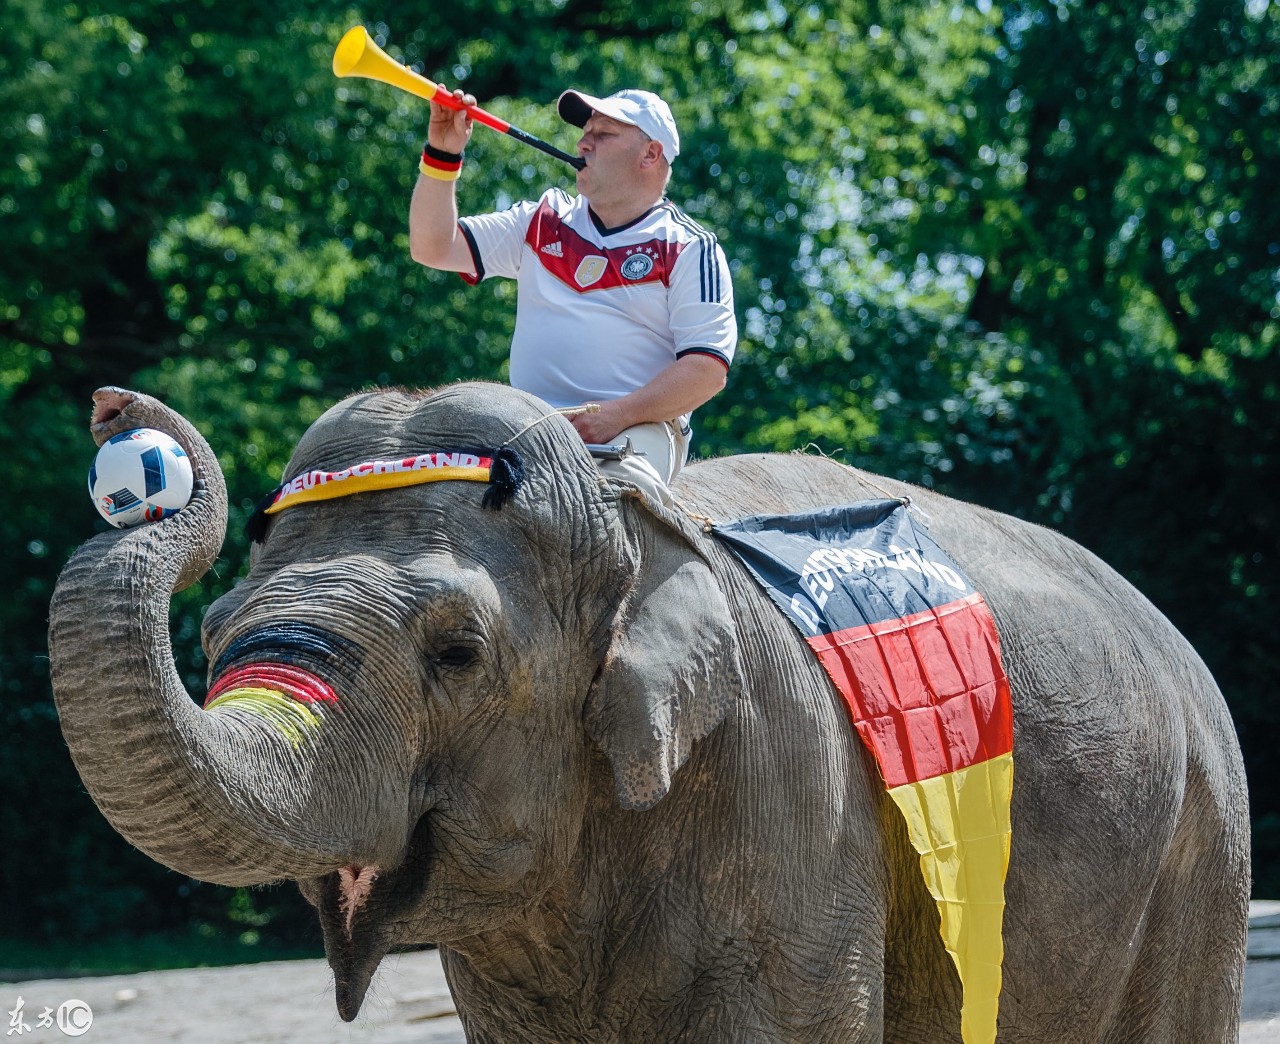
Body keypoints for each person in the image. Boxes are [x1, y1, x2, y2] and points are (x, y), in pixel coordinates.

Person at [409, 85, 737, 504]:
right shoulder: (541, 218)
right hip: (523, 421)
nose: (583, 141)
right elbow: (433, 247)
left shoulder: (689, 247)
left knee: (610, 507)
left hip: (636, 429)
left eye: (603, 133)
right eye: (586, 131)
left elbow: (707, 370)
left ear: (650, 155)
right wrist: (442, 152)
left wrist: (615, 416)